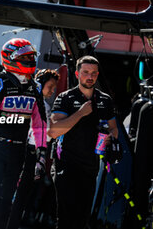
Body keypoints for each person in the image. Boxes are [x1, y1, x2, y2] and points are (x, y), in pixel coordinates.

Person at [0, 38, 47, 229]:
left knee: (7, 201)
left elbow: (40, 124)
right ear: (11, 59)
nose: (30, 60)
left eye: (31, 57)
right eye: (26, 57)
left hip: (19, 151)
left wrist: (42, 154)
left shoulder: (36, 87)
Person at [48, 55, 118, 229]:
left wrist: (110, 137)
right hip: (66, 164)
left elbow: (114, 128)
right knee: (66, 218)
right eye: (86, 72)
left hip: (90, 167)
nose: (90, 76)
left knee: (81, 219)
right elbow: (53, 131)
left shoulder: (104, 100)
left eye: (94, 73)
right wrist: (80, 113)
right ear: (78, 74)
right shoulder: (65, 98)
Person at [6, 68, 60, 229]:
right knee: (20, 197)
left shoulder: (23, 99)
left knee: (12, 195)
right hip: (29, 154)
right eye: (50, 86)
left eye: (54, 88)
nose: (52, 91)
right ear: (40, 84)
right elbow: (48, 135)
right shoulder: (42, 106)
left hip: (13, 150)